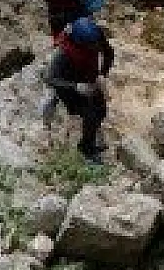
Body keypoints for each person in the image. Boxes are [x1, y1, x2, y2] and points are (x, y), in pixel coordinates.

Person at [42, 17, 114, 163]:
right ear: (79, 43)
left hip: (88, 75)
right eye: (90, 45)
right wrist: (76, 87)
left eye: (95, 44)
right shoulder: (63, 53)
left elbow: (108, 53)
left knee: (101, 109)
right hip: (68, 82)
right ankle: (86, 148)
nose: (94, 47)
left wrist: (102, 74)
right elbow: (50, 79)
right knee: (91, 112)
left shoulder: (96, 36)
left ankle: (92, 134)